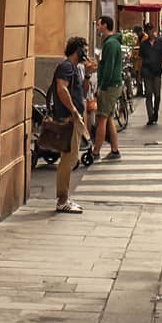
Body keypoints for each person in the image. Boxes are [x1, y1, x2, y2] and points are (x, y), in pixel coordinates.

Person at [51, 36, 91, 212]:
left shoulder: (74, 68)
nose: (87, 53)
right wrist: (74, 111)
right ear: (77, 50)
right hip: (69, 119)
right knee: (68, 159)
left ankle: (64, 197)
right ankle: (62, 200)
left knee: (71, 158)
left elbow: (81, 91)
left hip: (73, 118)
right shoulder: (66, 67)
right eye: (85, 50)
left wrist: (88, 74)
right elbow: (61, 88)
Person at [91, 14, 124, 160]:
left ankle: (96, 151)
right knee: (108, 117)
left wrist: (102, 86)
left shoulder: (110, 44)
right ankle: (114, 149)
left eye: (98, 25)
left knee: (102, 118)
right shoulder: (112, 43)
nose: (97, 28)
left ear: (104, 25)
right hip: (114, 84)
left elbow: (108, 67)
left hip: (109, 86)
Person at [142, 26, 162, 125]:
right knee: (148, 94)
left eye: (152, 30)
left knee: (157, 95)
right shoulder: (144, 44)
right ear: (147, 32)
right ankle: (150, 116)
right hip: (147, 71)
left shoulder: (160, 42)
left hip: (157, 71)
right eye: (149, 31)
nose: (151, 33)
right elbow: (141, 59)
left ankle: (155, 112)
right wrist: (139, 73)